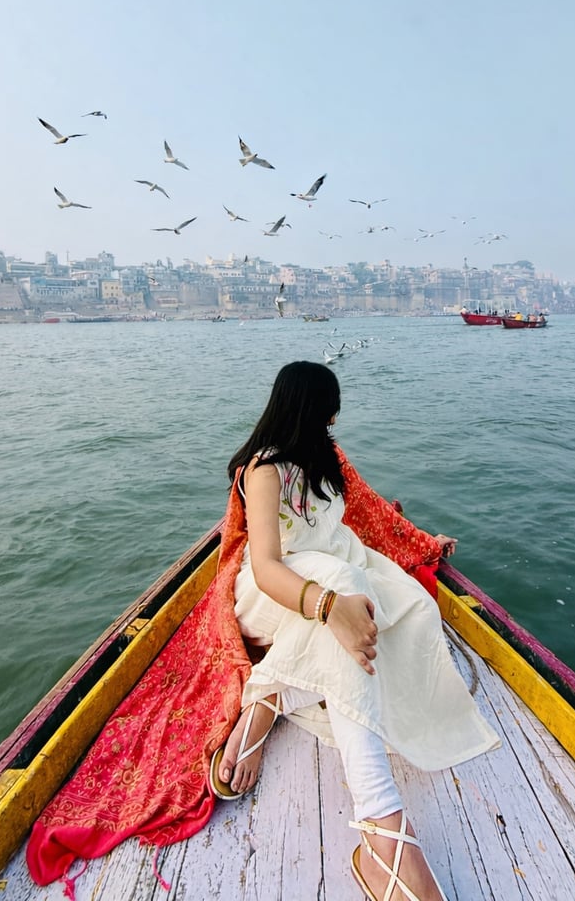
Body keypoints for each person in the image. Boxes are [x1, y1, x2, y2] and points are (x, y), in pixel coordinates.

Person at [209, 360, 499, 901]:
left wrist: (421, 541)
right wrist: (328, 605)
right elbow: (268, 564)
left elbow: (367, 514)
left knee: (412, 606)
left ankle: (271, 699)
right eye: (329, 409)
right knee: (346, 589)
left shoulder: (326, 458)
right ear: (310, 408)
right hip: (273, 593)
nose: (336, 419)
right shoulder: (264, 471)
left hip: (332, 578)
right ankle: (385, 832)